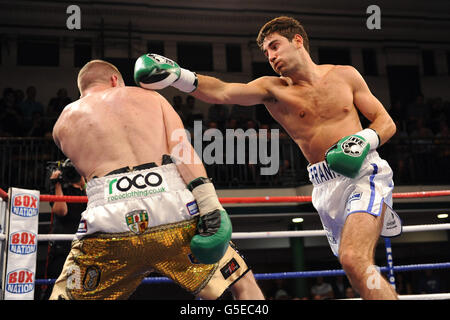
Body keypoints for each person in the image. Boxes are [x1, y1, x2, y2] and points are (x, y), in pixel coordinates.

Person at [134, 16, 399, 299]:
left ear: (298, 41)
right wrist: (179, 75)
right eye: (266, 52)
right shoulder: (273, 90)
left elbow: (386, 122)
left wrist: (364, 139)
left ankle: (379, 208)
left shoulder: (345, 75)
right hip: (324, 186)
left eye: (275, 46)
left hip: (363, 173)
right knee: (355, 266)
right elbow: (223, 91)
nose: (271, 56)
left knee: (353, 259)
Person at [49, 60, 264, 300]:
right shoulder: (151, 98)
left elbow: (85, 175)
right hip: (173, 209)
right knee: (242, 283)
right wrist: (210, 205)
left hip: (106, 221)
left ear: (82, 90)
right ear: (114, 80)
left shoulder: (62, 123)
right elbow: (182, 151)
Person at [40, 160, 86, 299]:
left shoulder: (87, 194)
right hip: (62, 251)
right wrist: (57, 184)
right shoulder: (62, 192)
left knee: (73, 289)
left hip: (76, 250)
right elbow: (61, 211)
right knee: (55, 287)